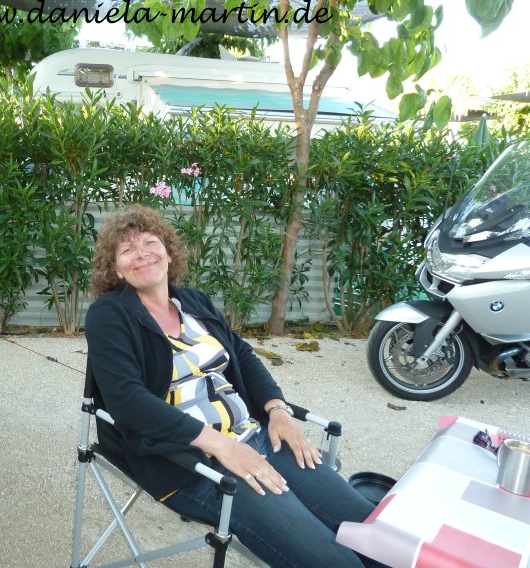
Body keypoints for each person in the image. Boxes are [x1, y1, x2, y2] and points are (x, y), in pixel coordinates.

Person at [84, 204, 378, 568]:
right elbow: (128, 401)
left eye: (149, 242)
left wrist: (277, 410)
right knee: (334, 560)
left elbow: (243, 354)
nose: (142, 253)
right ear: (115, 268)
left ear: (168, 252)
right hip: (191, 463)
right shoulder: (109, 314)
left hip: (257, 437)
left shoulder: (193, 301)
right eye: (127, 249)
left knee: (374, 531)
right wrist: (221, 445)